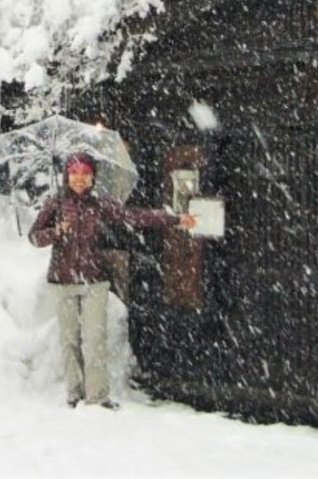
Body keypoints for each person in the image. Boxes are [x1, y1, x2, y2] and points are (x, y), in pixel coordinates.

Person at [29, 152, 197, 409]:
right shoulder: (55, 203)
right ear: (67, 176)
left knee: (94, 338)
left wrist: (174, 219)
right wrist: (57, 231)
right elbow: (34, 237)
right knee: (70, 340)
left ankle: (98, 397)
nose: (80, 179)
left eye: (85, 173)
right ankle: (74, 394)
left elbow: (135, 217)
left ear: (93, 177)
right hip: (63, 282)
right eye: (74, 173)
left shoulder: (99, 205)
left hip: (94, 281)